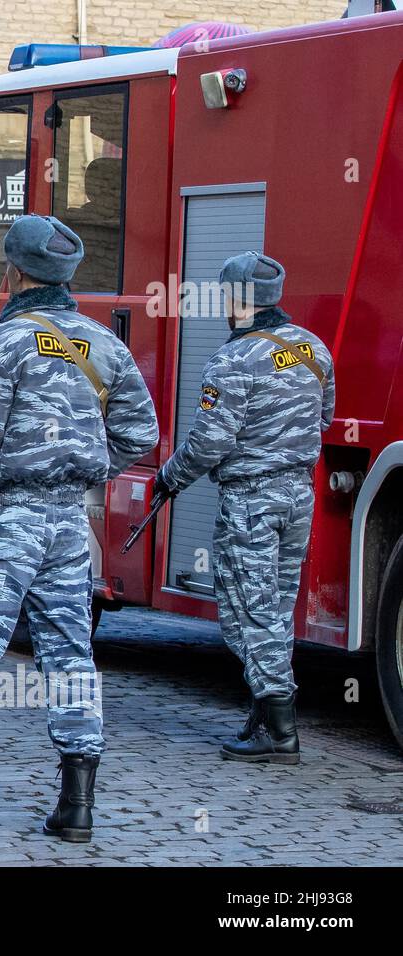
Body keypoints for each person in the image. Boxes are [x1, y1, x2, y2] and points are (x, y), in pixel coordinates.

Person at [0, 214, 158, 844]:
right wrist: (85, 467)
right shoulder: (105, 346)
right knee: (71, 655)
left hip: (3, 521)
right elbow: (141, 435)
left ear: (13, 274)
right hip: (69, 524)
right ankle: (77, 807)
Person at [155, 252, 334, 765]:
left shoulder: (233, 361)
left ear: (235, 298)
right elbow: (325, 416)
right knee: (275, 610)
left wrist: (170, 478)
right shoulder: (313, 350)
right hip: (298, 496)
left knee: (245, 616)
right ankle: (264, 712)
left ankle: (279, 732)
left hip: (251, 501)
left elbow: (210, 442)